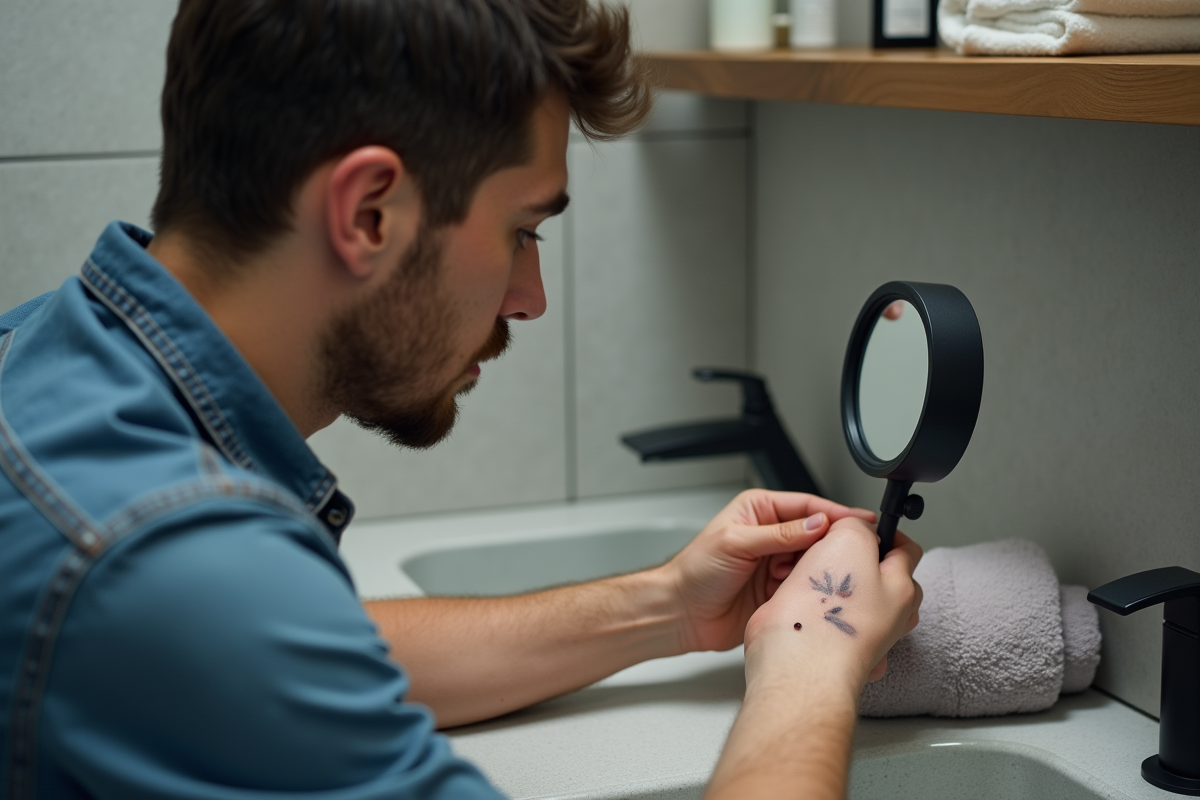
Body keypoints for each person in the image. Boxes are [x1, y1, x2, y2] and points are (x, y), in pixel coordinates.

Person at [0, 1, 922, 798]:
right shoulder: (167, 565)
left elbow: (311, 653)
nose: (531, 298)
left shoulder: (51, 356)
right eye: (522, 230)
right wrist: (813, 670)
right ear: (369, 213)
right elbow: (229, 623)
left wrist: (670, 605)